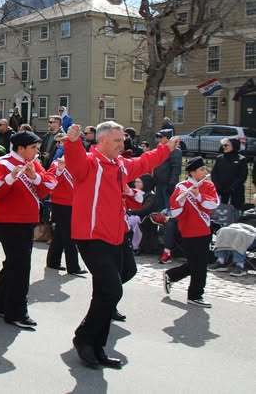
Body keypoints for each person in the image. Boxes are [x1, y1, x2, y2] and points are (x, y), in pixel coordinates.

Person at [63, 121, 178, 369]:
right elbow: (75, 163)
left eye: (122, 140)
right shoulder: (90, 163)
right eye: (116, 141)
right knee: (113, 291)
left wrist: (165, 149)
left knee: (105, 292)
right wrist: (72, 142)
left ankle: (95, 347)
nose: (122, 144)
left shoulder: (119, 165)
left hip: (115, 236)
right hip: (91, 237)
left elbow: (144, 163)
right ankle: (84, 338)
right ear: (101, 142)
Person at [0, 131, 55, 329]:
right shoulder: (3, 163)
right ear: (21, 148)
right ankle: (16, 312)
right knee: (21, 266)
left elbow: (47, 186)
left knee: (14, 264)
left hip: (26, 220)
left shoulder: (33, 163)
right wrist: (9, 178)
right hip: (9, 221)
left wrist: (35, 177)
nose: (36, 151)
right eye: (33, 147)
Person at [163, 157, 219, 308]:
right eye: (201, 169)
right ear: (192, 173)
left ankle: (173, 276)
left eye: (204, 169)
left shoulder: (207, 185)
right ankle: (195, 295)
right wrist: (181, 202)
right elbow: (174, 214)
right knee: (198, 264)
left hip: (204, 230)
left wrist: (198, 195)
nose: (205, 172)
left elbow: (213, 204)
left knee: (198, 263)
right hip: (188, 231)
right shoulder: (181, 187)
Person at [45, 143, 86, 275]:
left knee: (60, 234)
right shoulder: (57, 164)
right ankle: (73, 266)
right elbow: (49, 181)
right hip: (60, 204)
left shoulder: (77, 165)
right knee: (69, 235)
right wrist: (59, 171)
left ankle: (53, 261)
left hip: (74, 204)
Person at [153, 130, 183, 264]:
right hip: (159, 184)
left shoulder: (175, 151)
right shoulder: (160, 149)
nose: (158, 139)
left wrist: (172, 183)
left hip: (167, 185)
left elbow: (176, 168)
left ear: (167, 138)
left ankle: (168, 245)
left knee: (167, 213)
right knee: (159, 212)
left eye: (161, 137)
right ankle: (160, 242)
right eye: (157, 136)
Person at [211, 138, 248, 212]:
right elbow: (214, 173)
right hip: (220, 191)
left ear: (234, 146)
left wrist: (231, 188)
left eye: (226, 145)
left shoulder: (241, 159)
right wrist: (218, 185)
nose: (224, 147)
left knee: (234, 212)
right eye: (223, 145)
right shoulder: (219, 158)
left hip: (235, 192)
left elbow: (242, 177)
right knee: (220, 212)